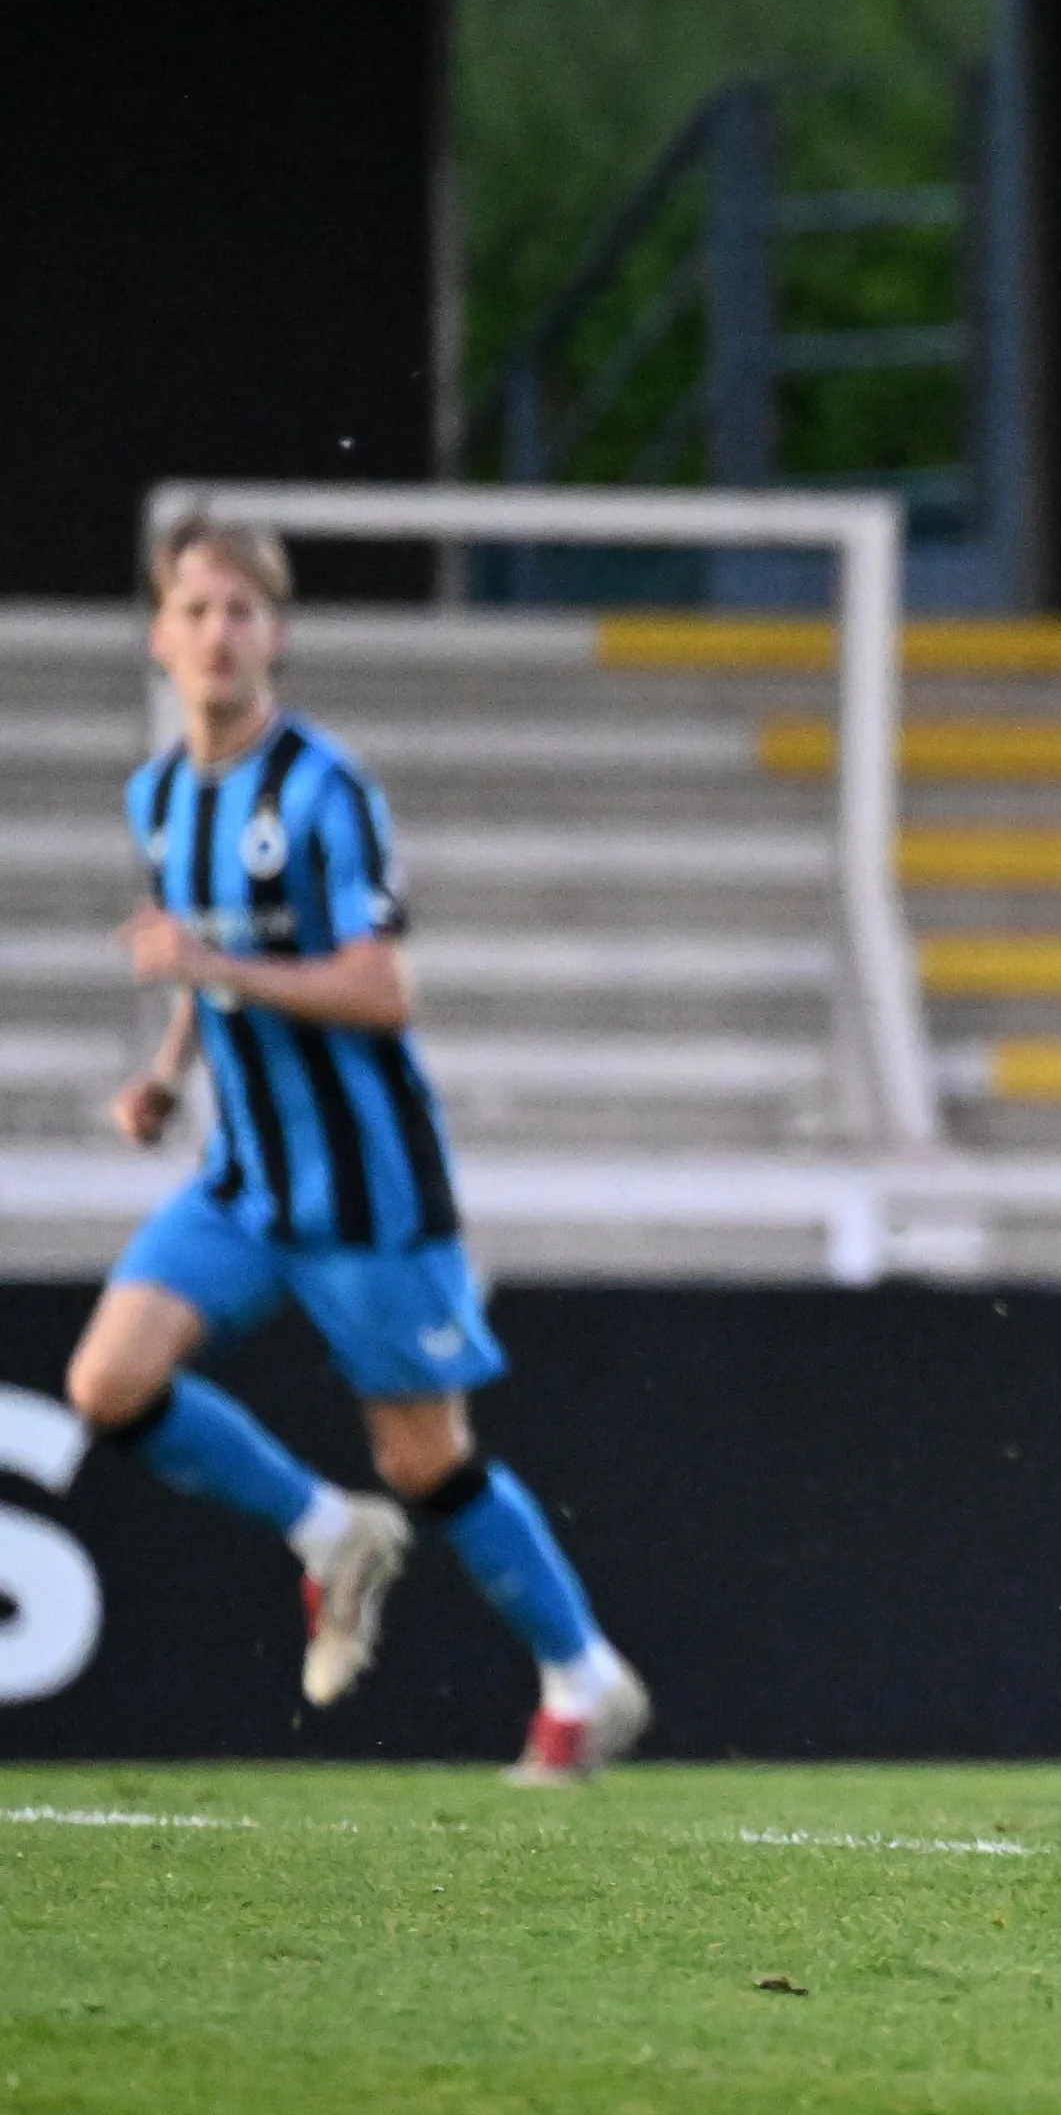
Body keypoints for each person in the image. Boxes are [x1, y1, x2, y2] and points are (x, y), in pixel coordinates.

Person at [61, 514, 651, 1784]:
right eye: (196, 609)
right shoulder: (158, 794)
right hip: (245, 1178)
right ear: (161, 635)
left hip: (368, 1187)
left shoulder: (326, 790)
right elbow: (201, 958)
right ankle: (328, 1533)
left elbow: (384, 988)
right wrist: (167, 1073)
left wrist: (208, 966)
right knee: (108, 1384)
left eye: (242, 610)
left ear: (276, 633)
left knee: (425, 1456)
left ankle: (583, 1674)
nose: (219, 632)